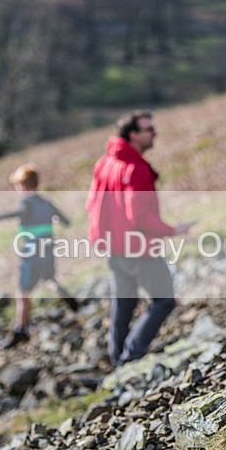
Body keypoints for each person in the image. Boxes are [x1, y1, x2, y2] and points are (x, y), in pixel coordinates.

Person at [86, 111, 193, 367]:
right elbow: (138, 217)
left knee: (124, 303)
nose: (154, 133)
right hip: (137, 247)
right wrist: (172, 230)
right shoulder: (136, 169)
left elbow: (91, 203)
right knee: (164, 300)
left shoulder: (105, 162)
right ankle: (131, 357)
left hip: (111, 245)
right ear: (133, 135)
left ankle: (117, 360)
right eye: (149, 129)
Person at [0, 163, 79, 349]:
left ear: (24, 186)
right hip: (47, 249)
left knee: (22, 292)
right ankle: (68, 298)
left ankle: (21, 329)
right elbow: (67, 222)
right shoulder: (47, 203)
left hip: (31, 254)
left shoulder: (26, 203)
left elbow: (19, 212)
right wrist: (52, 219)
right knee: (49, 279)